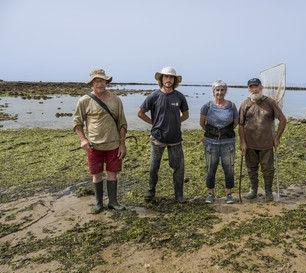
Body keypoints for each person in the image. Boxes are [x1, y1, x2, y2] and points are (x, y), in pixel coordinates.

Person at [73, 69, 127, 214]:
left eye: (102, 80)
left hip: (114, 145)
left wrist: (122, 144)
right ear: (92, 83)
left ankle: (113, 202)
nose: (99, 83)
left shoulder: (116, 100)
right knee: (96, 174)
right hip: (93, 146)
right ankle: (98, 204)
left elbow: (122, 124)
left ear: (106, 82)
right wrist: (83, 139)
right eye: (96, 81)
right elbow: (77, 122)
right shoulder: (84, 100)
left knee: (112, 174)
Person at [137, 67, 189, 203]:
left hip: (175, 138)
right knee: (154, 166)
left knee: (178, 167)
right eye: (166, 77)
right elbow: (140, 113)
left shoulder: (179, 96)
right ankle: (151, 190)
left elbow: (186, 115)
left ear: (174, 80)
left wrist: (176, 122)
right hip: (157, 137)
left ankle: (179, 194)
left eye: (171, 77)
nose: (168, 79)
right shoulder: (154, 96)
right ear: (161, 79)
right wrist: (153, 123)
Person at [238, 78, 287, 201]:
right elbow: (241, 125)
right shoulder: (244, 104)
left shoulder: (270, 102)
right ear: (249, 89)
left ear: (261, 87)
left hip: (266, 144)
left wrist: (277, 138)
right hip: (250, 145)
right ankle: (253, 189)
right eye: (251, 87)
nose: (254, 89)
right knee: (251, 169)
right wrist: (242, 142)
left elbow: (282, 120)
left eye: (256, 86)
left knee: (268, 170)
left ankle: (268, 191)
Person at [200, 80, 239, 204]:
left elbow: (236, 122)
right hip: (210, 143)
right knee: (211, 168)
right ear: (213, 91)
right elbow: (202, 123)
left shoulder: (232, 106)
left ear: (225, 91)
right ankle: (211, 194)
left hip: (228, 143)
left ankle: (229, 194)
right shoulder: (207, 105)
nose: (219, 92)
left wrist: (224, 133)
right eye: (217, 90)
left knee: (229, 168)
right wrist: (213, 133)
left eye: (222, 90)